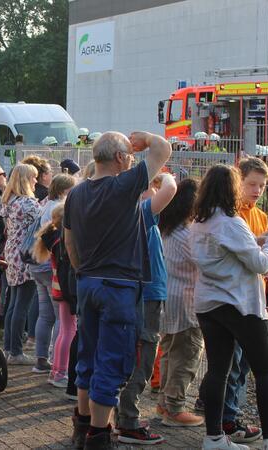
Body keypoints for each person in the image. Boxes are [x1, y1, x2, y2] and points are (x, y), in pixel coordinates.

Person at [65, 131, 171, 450]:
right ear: (121, 158)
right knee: (112, 361)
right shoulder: (123, 186)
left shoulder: (76, 193)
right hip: (119, 287)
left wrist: (82, 271)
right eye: (130, 157)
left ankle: (82, 426)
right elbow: (163, 149)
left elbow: (70, 241)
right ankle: (99, 436)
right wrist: (145, 139)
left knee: (88, 357)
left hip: (89, 283)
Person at [189, 164, 268, 450]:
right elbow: (261, 263)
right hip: (240, 305)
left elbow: (228, 250)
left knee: (218, 370)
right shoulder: (232, 222)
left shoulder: (199, 222)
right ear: (233, 188)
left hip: (208, 304)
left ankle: (214, 437)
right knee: (266, 370)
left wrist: (258, 240)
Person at [116, 171, 177, 445]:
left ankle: (122, 413)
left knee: (136, 350)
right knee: (144, 350)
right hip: (147, 293)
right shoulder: (140, 212)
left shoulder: (130, 212)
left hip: (142, 290)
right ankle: (128, 419)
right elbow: (170, 188)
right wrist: (162, 177)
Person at [155, 178, 205, 427]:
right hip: (186, 301)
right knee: (187, 355)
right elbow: (205, 263)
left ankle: (164, 404)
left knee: (169, 353)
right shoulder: (188, 233)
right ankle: (174, 408)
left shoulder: (167, 228)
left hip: (168, 298)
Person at [31, 174, 76, 374]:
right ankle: (60, 366)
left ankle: (42, 358)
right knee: (62, 322)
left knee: (45, 315)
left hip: (41, 267)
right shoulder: (60, 211)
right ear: (64, 191)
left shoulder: (46, 206)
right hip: (54, 274)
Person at [0, 164, 40, 365]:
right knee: (21, 304)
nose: (36, 181)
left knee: (13, 303)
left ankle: (9, 348)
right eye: (33, 177)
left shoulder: (9, 201)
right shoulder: (29, 204)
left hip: (11, 252)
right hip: (25, 255)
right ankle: (16, 351)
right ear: (26, 179)